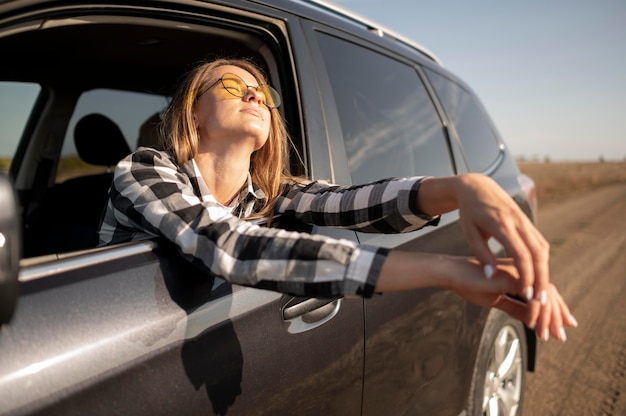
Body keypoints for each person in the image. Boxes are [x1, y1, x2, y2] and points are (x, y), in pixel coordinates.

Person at [99, 57, 577, 342]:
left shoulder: (274, 194)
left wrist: (463, 187)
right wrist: (447, 270)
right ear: (194, 113)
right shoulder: (144, 169)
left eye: (263, 93)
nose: (255, 96)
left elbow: (355, 202)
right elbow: (227, 245)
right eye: (231, 86)